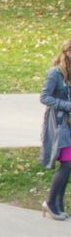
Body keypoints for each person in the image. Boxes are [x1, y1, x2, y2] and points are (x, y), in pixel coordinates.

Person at [39, 38, 71, 220]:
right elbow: (44, 97)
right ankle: (50, 203)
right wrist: (67, 105)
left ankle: (58, 204)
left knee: (69, 165)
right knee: (67, 164)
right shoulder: (55, 73)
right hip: (59, 125)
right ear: (67, 51)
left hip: (69, 124)